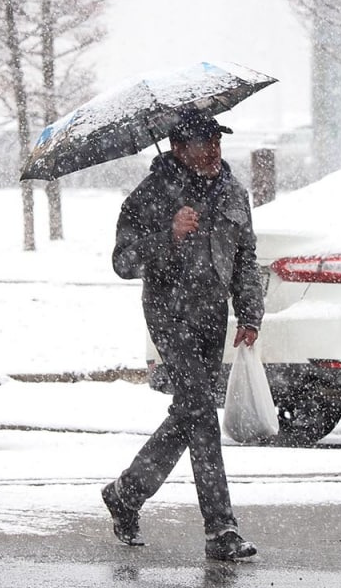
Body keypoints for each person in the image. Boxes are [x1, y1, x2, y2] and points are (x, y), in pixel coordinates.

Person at [102, 107, 264, 562]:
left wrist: (250, 313)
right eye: (202, 143)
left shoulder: (234, 192)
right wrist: (168, 235)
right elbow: (122, 262)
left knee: (189, 414)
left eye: (217, 142)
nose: (213, 151)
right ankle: (220, 529)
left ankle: (126, 494)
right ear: (178, 148)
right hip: (169, 315)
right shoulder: (149, 195)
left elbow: (247, 257)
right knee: (200, 414)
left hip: (213, 316)